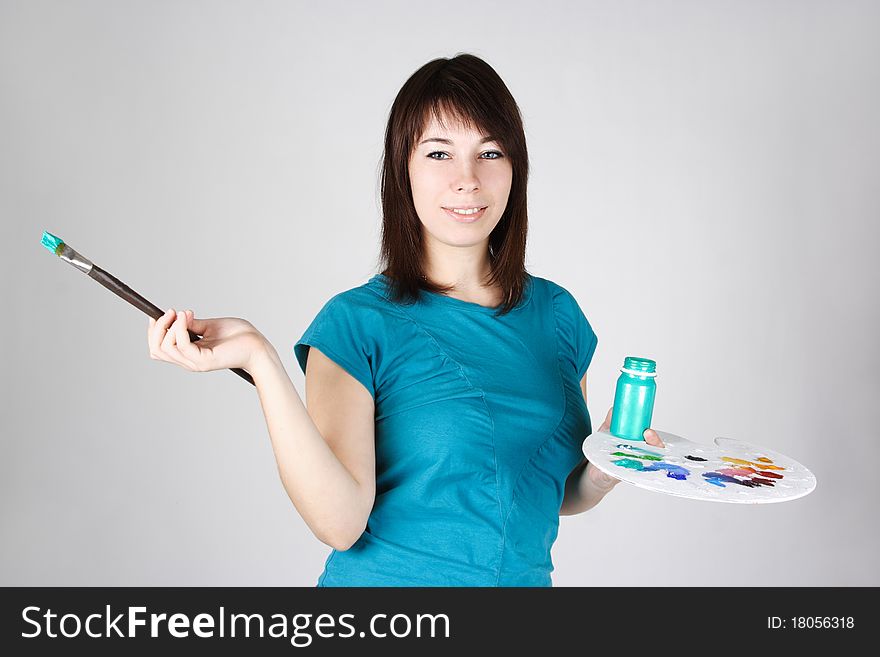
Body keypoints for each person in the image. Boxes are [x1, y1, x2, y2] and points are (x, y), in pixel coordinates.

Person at [146, 53, 664, 587]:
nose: (467, 179)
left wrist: (604, 472)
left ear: (516, 169)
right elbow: (340, 525)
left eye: (489, 152)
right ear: (403, 169)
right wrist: (262, 361)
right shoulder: (356, 324)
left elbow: (544, 493)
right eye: (439, 153)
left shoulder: (559, 317)